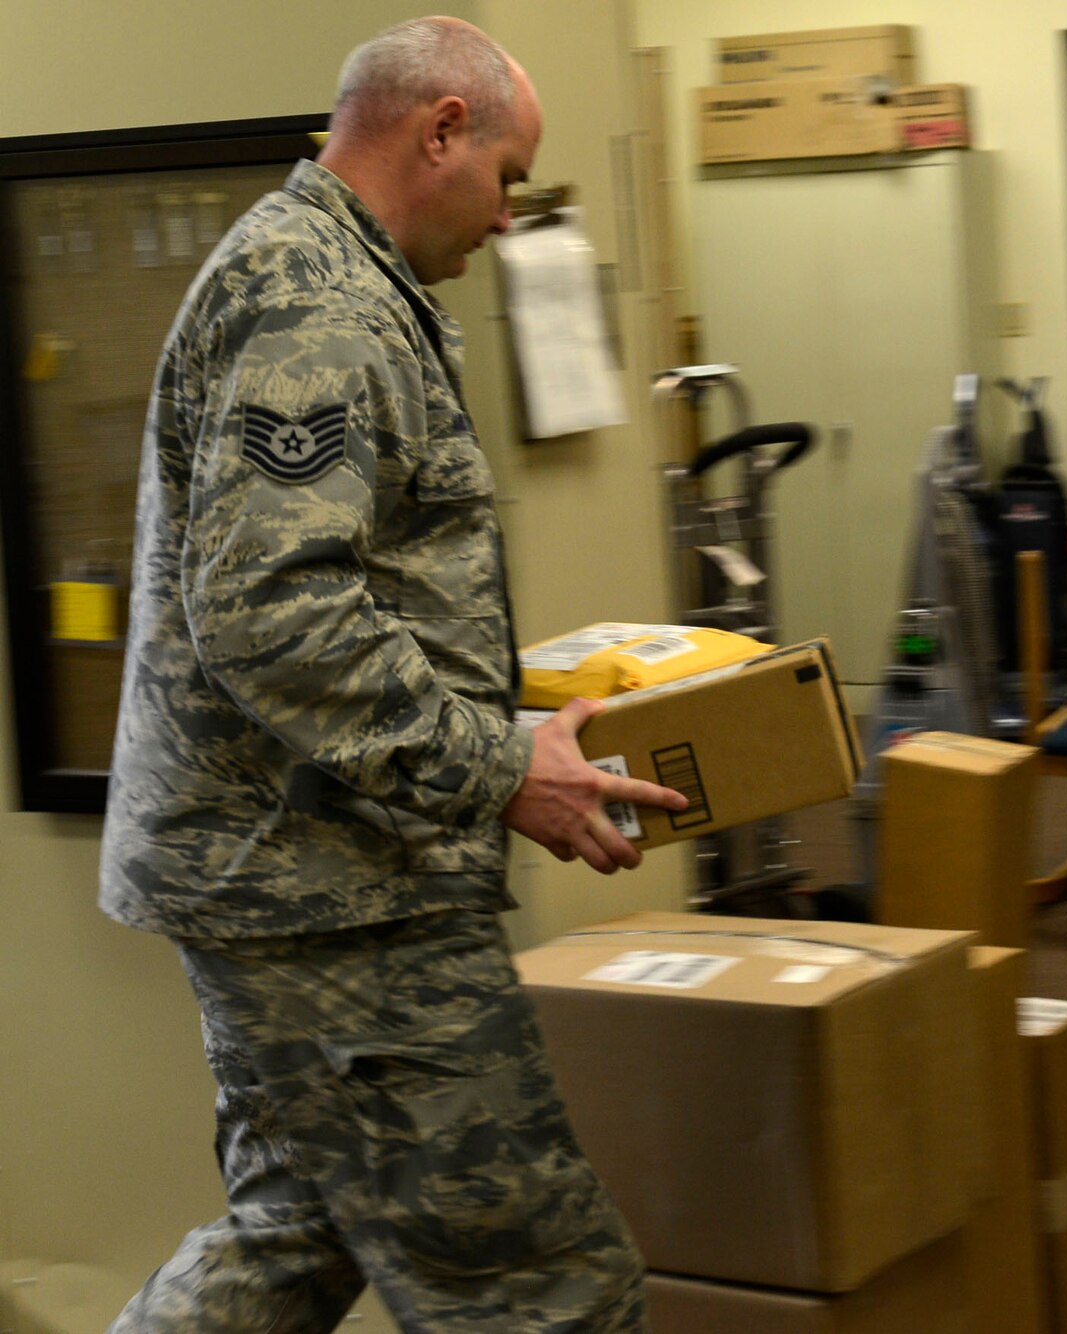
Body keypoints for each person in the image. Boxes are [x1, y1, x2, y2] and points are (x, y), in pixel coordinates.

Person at [99, 17, 683, 1332]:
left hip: (304, 874)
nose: (507, 216)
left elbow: (343, 590)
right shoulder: (318, 300)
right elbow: (272, 611)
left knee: (294, 1235)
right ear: (440, 133)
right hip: (334, 897)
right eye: (510, 176)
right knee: (547, 1292)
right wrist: (497, 767)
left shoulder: (331, 278)